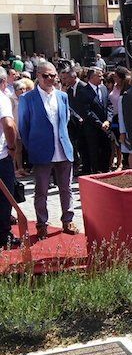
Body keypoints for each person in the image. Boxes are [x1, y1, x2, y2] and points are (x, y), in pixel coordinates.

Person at [18, 62, 78, 239]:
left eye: (53, 75)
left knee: (66, 188)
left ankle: (68, 220)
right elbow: (23, 127)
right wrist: (33, 147)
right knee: (41, 190)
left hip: (63, 149)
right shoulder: (27, 99)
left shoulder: (62, 96)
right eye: (46, 76)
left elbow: (65, 121)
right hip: (41, 151)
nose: (50, 79)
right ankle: (42, 224)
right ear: (38, 76)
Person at [76, 67, 111, 173]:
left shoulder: (103, 88)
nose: (102, 78)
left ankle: (105, 172)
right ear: (91, 77)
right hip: (92, 129)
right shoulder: (83, 91)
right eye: (99, 76)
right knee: (94, 153)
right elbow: (87, 112)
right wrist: (100, 124)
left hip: (105, 127)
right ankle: (96, 173)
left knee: (106, 151)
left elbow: (109, 106)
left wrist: (108, 121)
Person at [0, 67, 18, 247]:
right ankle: (3, 235)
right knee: (5, 197)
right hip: (1, 156)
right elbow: (9, 125)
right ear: (4, 82)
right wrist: (12, 147)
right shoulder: (2, 98)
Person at [60, 68, 88, 174]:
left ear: (73, 77)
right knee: (78, 145)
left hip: (85, 122)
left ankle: (87, 167)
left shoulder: (84, 87)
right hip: (74, 123)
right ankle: (82, 166)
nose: (64, 80)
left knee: (86, 146)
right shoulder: (69, 90)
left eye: (66, 78)